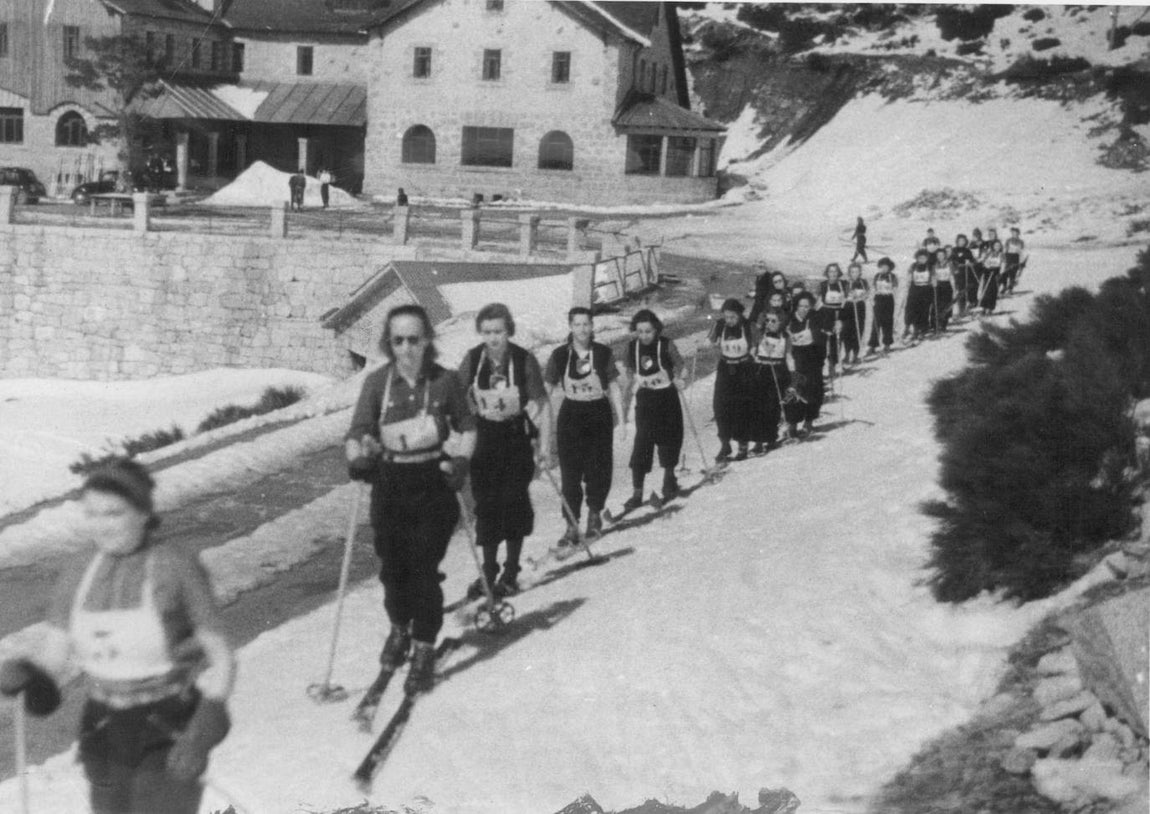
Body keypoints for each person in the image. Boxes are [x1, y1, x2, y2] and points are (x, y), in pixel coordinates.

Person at [0, 458, 235, 814]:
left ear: (143, 512)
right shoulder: (80, 570)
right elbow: (56, 650)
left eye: (113, 513)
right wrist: (30, 676)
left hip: (170, 724)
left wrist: (205, 724)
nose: (100, 526)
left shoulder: (176, 565)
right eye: (91, 514)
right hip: (104, 726)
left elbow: (221, 656)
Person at [345, 304, 477, 694]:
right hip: (391, 484)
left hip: (431, 482)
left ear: (427, 341)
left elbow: (467, 426)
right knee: (392, 571)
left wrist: (462, 461)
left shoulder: (445, 382)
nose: (406, 348)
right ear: (389, 343)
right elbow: (358, 431)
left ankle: (423, 645)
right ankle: (399, 628)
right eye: (398, 340)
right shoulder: (377, 383)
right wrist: (358, 460)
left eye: (414, 340)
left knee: (422, 569)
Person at [459, 303, 550, 599]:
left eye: (498, 331)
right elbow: (457, 400)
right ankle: (488, 569)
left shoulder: (524, 359)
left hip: (515, 437)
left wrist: (544, 446)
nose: (493, 338)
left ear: (508, 330)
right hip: (485, 438)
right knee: (485, 504)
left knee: (513, 502)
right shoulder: (473, 360)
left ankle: (511, 570)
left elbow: (543, 404)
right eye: (487, 332)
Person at [544, 307, 624, 543]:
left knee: (598, 469)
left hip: (598, 413)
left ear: (592, 326)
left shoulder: (602, 353)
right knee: (570, 474)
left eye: (586, 324)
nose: (582, 329)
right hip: (571, 414)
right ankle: (571, 524)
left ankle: (594, 515)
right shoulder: (559, 355)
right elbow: (546, 390)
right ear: (570, 327)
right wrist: (540, 420)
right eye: (577, 324)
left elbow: (614, 387)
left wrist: (623, 420)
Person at [621, 310, 686, 510]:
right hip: (646, 398)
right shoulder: (632, 348)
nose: (644, 335)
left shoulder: (665, 344)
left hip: (666, 397)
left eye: (648, 331)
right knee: (642, 441)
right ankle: (637, 491)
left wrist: (680, 378)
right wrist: (626, 398)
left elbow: (680, 364)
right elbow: (630, 374)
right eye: (640, 331)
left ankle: (669, 478)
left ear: (656, 329)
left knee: (669, 438)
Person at [709, 298, 756, 462]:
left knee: (741, 407)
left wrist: (756, 350)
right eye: (726, 316)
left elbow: (756, 343)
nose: (729, 320)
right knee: (720, 406)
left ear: (739, 315)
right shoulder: (720, 324)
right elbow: (711, 341)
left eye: (732, 317)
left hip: (743, 369)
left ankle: (743, 445)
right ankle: (725, 443)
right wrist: (702, 345)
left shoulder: (747, 325)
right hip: (725, 369)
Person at [785, 292, 826, 436]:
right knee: (793, 391)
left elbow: (822, 336)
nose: (804, 309)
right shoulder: (790, 320)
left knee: (813, 391)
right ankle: (792, 424)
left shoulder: (815, 318)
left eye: (807, 306)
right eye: (801, 306)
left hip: (812, 360)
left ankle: (809, 421)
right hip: (795, 360)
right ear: (796, 306)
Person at [752, 309, 791, 451]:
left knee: (772, 406)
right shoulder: (761, 334)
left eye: (773, 321)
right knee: (758, 406)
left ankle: (771, 437)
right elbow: (753, 350)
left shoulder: (785, 337)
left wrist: (793, 376)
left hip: (778, 371)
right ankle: (758, 441)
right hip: (762, 370)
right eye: (767, 320)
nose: (769, 323)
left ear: (781, 322)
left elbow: (789, 356)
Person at [816, 263, 847, 370]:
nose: (833, 273)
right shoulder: (823, 285)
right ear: (827, 273)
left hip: (839, 312)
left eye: (835, 271)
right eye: (830, 271)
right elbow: (817, 300)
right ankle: (820, 365)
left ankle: (833, 365)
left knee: (836, 340)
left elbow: (847, 297)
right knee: (824, 340)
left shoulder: (843, 284)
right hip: (826, 313)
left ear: (838, 273)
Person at [868, 257, 898, 355]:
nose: (884, 269)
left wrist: (892, 292)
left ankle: (887, 344)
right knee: (876, 322)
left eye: (886, 267)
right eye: (882, 267)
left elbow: (895, 288)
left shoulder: (892, 276)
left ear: (890, 267)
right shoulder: (877, 275)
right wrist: (872, 298)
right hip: (878, 298)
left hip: (888, 299)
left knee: (887, 321)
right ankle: (873, 345)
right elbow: (873, 288)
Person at [904, 248, 934, 343]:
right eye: (920, 258)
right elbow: (909, 274)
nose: (922, 260)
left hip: (926, 290)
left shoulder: (929, 266)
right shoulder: (913, 266)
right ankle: (914, 329)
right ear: (917, 258)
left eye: (924, 258)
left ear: (927, 258)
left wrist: (934, 280)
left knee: (924, 310)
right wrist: (908, 280)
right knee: (912, 309)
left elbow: (933, 276)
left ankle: (923, 329)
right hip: (915, 289)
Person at [841, 261, 869, 365]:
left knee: (858, 330)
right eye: (852, 272)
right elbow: (842, 295)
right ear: (849, 272)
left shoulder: (863, 282)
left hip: (860, 306)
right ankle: (847, 354)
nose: (854, 274)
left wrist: (862, 296)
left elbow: (867, 294)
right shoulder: (846, 282)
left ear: (860, 272)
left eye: (857, 271)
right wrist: (848, 297)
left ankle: (856, 354)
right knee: (847, 330)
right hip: (848, 307)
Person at [950, 234, 977, 320]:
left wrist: (970, 262)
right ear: (957, 241)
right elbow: (951, 260)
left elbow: (972, 260)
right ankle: (961, 309)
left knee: (968, 289)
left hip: (967, 272)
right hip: (959, 273)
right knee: (960, 290)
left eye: (963, 241)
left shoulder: (967, 250)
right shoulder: (954, 250)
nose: (962, 242)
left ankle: (968, 307)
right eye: (960, 240)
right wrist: (958, 265)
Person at [978, 239, 1005, 315]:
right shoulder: (989, 253)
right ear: (993, 246)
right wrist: (986, 266)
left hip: (996, 272)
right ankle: (984, 307)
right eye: (996, 245)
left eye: (999, 246)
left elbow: (1003, 264)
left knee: (993, 291)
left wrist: (1001, 273)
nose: (997, 247)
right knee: (986, 290)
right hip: (988, 272)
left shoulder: (1001, 254)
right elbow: (984, 261)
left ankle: (990, 308)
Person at [932, 247, 955, 333]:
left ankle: (943, 325)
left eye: (942, 255)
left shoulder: (949, 264)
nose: (940, 256)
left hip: (947, 285)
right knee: (936, 305)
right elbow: (933, 276)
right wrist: (933, 282)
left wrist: (954, 287)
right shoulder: (935, 265)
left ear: (945, 255)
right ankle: (935, 325)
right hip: (938, 286)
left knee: (946, 305)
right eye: (938, 255)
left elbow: (952, 277)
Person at [1002, 226, 1026, 296]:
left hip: (1015, 257)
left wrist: (1021, 261)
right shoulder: (1008, 240)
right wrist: (1004, 257)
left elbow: (1021, 251)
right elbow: (1005, 249)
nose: (1014, 234)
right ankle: (1004, 286)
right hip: (1008, 257)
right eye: (1013, 233)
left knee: (1013, 274)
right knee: (1005, 273)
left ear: (1018, 233)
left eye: (1016, 233)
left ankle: (1010, 289)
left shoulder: (1021, 241)